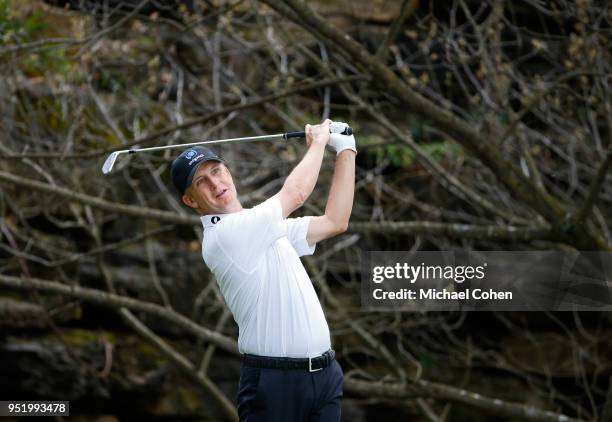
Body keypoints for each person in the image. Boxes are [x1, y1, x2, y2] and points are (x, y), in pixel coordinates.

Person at [170, 119, 356, 422]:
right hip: (274, 384)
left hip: (324, 376)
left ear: (228, 171)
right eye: (201, 181)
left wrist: (346, 149)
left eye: (216, 171)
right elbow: (295, 194)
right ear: (190, 200)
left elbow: (336, 221)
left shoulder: (268, 228)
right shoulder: (225, 237)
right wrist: (320, 141)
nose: (216, 184)